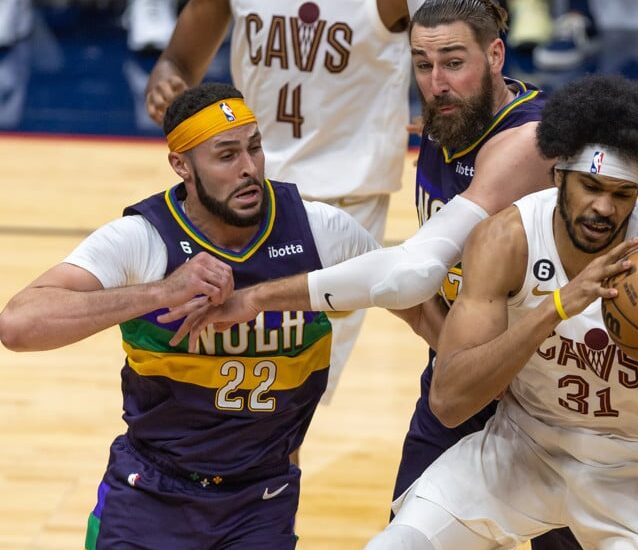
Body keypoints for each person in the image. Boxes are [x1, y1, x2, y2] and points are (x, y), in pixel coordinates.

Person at [161, 1, 581, 547]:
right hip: (462, 371)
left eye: (454, 63)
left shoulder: (522, 143)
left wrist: (261, 297)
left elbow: (410, 272)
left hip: (549, 386)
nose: (436, 82)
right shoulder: (454, 116)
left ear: (495, 55)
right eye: (423, 65)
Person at [0, 83, 439, 549]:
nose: (249, 168)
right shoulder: (142, 237)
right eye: (226, 156)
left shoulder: (319, 231)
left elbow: (418, 305)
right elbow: (18, 324)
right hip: (150, 491)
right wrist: (161, 292)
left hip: (261, 499)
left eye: (254, 148)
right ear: (181, 166)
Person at [364, 74, 638, 549]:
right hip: (523, 450)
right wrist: (555, 307)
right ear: (558, 177)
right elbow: (449, 402)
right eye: (590, 186)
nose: (604, 208)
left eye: (621, 194)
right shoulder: (506, 239)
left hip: (636, 473)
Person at [144, 0, 422, 400]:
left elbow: (456, 38)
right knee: (226, 378)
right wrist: (166, 80)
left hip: (343, 201)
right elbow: (178, 60)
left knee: (290, 390)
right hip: (247, 194)